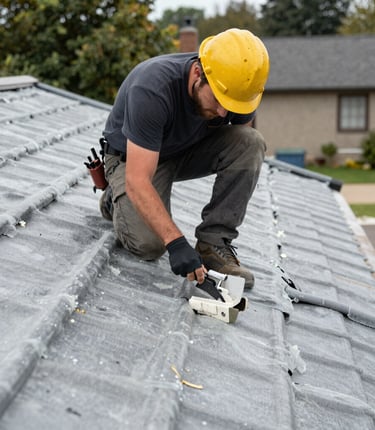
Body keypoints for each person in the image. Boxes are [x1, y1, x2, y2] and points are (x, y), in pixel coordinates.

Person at [100, 28, 269, 289]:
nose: (223, 111)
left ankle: (214, 242)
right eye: (217, 99)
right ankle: (115, 200)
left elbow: (238, 147)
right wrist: (176, 242)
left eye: (232, 105)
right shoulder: (152, 88)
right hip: (132, 159)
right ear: (198, 73)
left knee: (251, 142)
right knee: (149, 245)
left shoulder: (238, 90)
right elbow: (137, 178)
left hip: (185, 149)